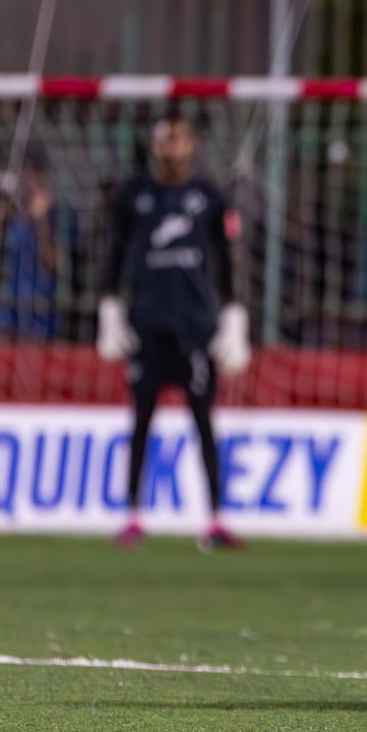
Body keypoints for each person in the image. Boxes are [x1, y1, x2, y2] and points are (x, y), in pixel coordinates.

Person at [97, 117, 252, 550]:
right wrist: (109, 307)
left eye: (178, 137)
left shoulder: (209, 197)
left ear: (192, 144)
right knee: (141, 419)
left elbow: (227, 259)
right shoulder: (134, 195)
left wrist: (235, 316)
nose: (170, 146)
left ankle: (216, 518)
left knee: (203, 421)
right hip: (147, 324)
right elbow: (114, 253)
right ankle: (132, 516)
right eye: (163, 137)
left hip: (195, 326)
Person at [0, 150, 62, 340]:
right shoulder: (7, 217)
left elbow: (52, 265)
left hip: (39, 309)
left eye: (30, 177)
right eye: (22, 176)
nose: (25, 184)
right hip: (8, 308)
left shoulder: (55, 215)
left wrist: (42, 224)